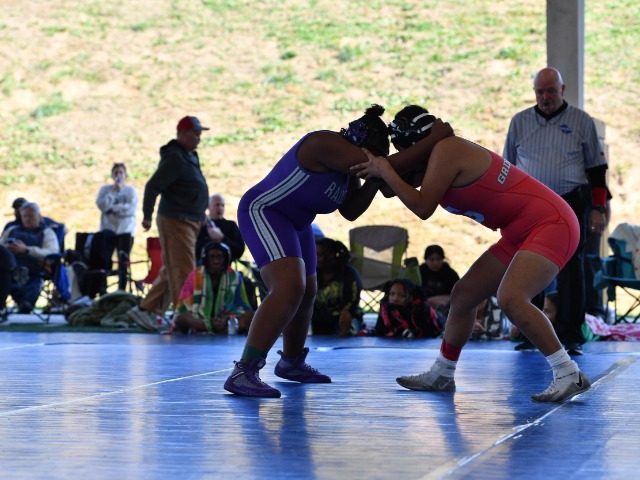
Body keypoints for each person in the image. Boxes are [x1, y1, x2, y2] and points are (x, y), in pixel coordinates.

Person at [352, 104, 591, 403]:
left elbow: (422, 207)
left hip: (551, 223)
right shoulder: (435, 157)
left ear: (415, 143)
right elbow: (391, 187)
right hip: (519, 231)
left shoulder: (448, 150)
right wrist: (375, 167)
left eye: (405, 150)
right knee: (464, 296)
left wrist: (385, 168)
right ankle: (442, 373)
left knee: (511, 298)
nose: (407, 158)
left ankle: (568, 372)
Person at [223, 104, 455, 398]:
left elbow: (351, 211)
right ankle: (244, 370)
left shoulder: (348, 173)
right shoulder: (324, 142)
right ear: (357, 146)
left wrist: (376, 177)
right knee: (288, 287)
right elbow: (386, 166)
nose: (370, 164)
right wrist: (432, 140)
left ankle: (291, 361)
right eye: (370, 158)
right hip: (265, 211)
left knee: (308, 290)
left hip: (297, 223)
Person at [503, 67, 610, 356]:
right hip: (530, 205)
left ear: (562, 90)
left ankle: (571, 335)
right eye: (540, 92)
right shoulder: (519, 122)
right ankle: (530, 334)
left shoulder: (581, 121)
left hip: (571, 202)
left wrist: (598, 208)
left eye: (551, 91)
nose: (545, 97)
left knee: (573, 268)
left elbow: (597, 169)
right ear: (534, 92)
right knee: (528, 266)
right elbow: (507, 167)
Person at [127, 116, 210, 330]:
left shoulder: (190, 156)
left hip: (190, 220)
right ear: (182, 134)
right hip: (176, 220)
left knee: (171, 269)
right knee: (184, 270)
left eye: (200, 134)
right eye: (195, 133)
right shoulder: (174, 157)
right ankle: (185, 316)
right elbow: (153, 186)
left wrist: (201, 212)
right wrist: (146, 215)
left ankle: (145, 310)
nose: (198, 138)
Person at [165, 242, 254, 335]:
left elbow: (243, 308)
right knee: (179, 318)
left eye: (219, 257)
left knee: (250, 316)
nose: (216, 261)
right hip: (200, 321)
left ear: (226, 259)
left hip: (226, 321)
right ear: (205, 259)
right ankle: (212, 328)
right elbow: (183, 308)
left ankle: (219, 329)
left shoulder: (234, 276)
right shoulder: (195, 275)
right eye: (212, 257)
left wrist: (225, 319)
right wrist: (210, 323)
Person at [0, 202, 60, 313]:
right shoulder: (11, 230)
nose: (27, 219)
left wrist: (27, 250)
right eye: (25, 216)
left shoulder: (47, 232)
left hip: (36, 267)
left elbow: (52, 252)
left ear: (38, 216)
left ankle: (26, 302)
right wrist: (7, 249)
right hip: (10, 267)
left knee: (32, 278)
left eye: (31, 216)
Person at [96, 162, 139, 290]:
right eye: (116, 172)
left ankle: (121, 290)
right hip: (108, 230)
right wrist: (113, 192)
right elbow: (102, 205)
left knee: (123, 262)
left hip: (125, 230)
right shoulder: (105, 190)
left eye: (121, 172)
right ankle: (103, 290)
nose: (118, 175)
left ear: (125, 175)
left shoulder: (131, 191)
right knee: (104, 260)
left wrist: (113, 209)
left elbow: (131, 209)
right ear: (112, 175)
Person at [311, 237, 363, 337]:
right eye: (314, 254)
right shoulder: (312, 273)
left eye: (319, 255)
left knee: (346, 317)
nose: (315, 258)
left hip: (342, 317)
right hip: (316, 319)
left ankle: (343, 342)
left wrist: (333, 315)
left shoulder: (348, 273)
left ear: (331, 255)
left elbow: (352, 301)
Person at [374, 278, 442, 338]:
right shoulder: (385, 309)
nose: (395, 299)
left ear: (410, 297)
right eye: (392, 294)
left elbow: (429, 333)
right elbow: (380, 331)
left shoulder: (420, 309)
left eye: (402, 295)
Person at [195, 193, 245, 263]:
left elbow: (239, 251)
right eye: (217, 205)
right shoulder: (201, 226)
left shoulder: (231, 226)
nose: (220, 208)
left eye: (222, 205)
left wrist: (222, 238)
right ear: (208, 206)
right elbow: (193, 249)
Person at [419, 244, 460, 315]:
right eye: (432, 259)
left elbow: (459, 292)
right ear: (426, 260)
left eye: (438, 259)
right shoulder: (420, 272)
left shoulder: (450, 273)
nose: (435, 263)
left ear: (443, 259)